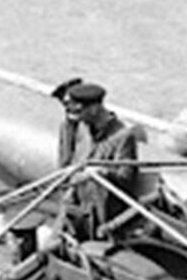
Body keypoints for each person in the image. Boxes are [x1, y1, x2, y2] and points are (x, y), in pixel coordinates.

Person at [53, 80, 144, 238]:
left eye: (80, 111)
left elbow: (127, 178)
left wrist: (102, 172)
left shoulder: (123, 136)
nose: (77, 117)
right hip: (76, 209)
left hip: (102, 219)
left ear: (94, 109)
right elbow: (72, 163)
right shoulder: (83, 128)